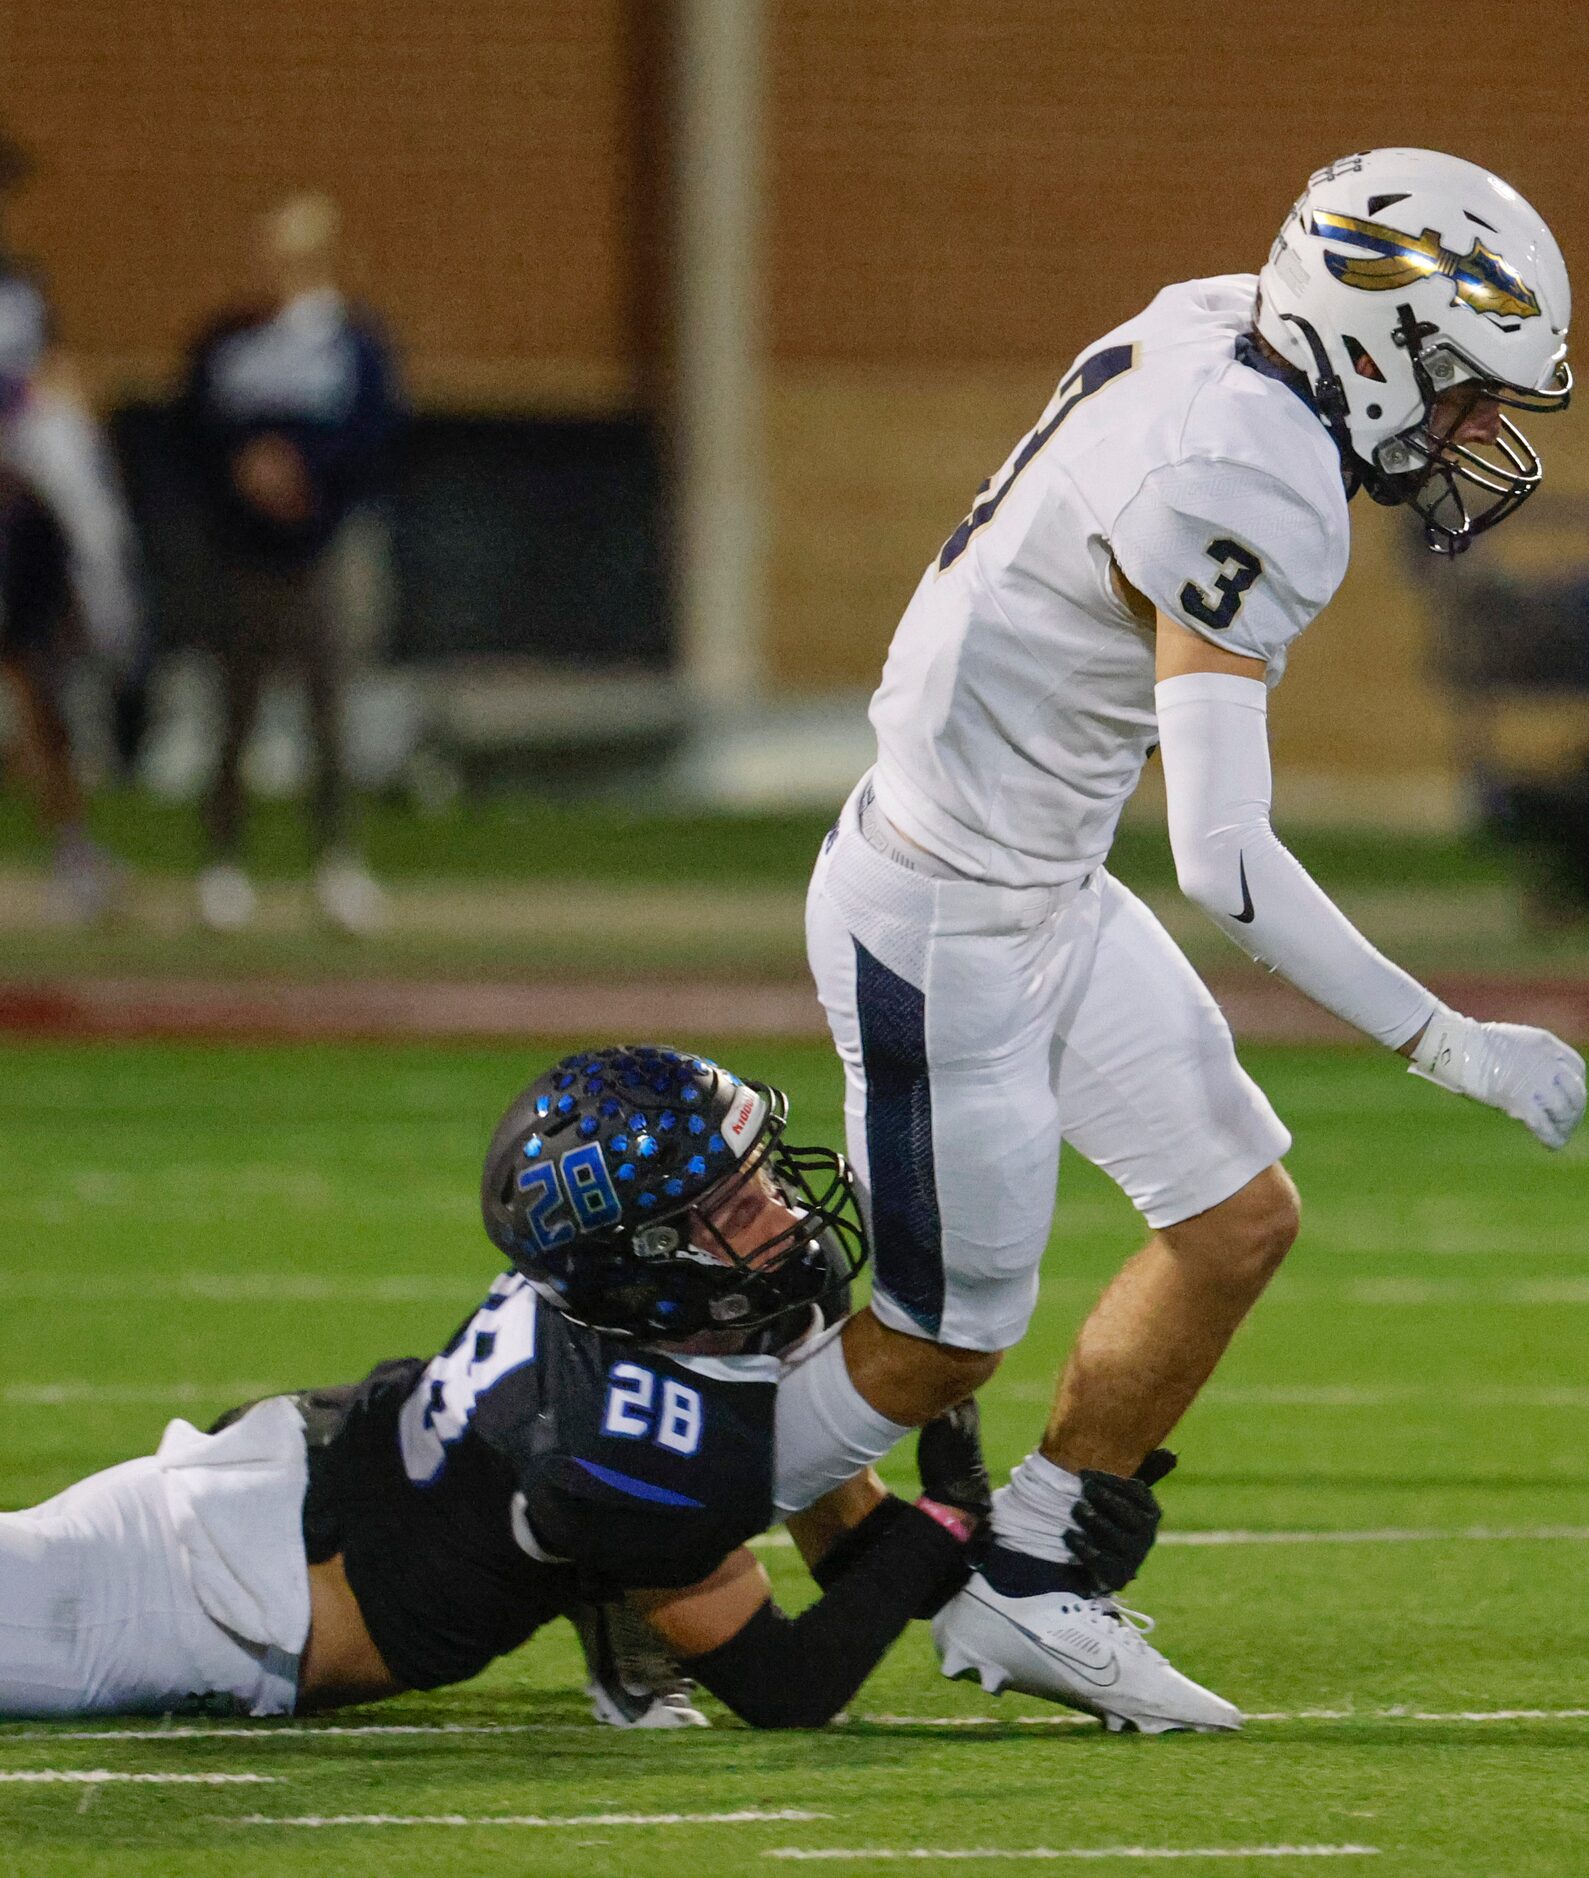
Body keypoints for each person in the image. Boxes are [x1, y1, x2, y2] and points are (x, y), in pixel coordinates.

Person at [777, 148, 1589, 1732]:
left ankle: (1034, 1581)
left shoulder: (1226, 323)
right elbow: (1223, 858)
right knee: (939, 1350)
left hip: (1043, 874)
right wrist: (1452, 1041)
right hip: (949, 906)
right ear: (1379, 340)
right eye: (1469, 392)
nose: (1477, 436)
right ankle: (610, 1533)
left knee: (1233, 1216)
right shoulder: (1250, 471)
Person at [0, 1044, 1162, 1728]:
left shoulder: (619, 1321)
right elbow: (788, 1684)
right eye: (733, 1203)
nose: (781, 1208)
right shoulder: (629, 1436)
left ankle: (621, 1622)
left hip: (272, 1505)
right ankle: (626, 1625)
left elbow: (838, 1537)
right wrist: (956, 1512)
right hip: (206, 1601)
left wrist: (1004, 1538)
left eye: (758, 1173)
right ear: (643, 1258)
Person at [178, 193, 400, 936]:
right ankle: (223, 864)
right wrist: (247, 475)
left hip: (328, 541)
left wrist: (305, 472)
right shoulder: (227, 342)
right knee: (232, 710)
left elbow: (376, 430)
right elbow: (196, 430)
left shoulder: (350, 340)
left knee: (332, 709)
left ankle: (337, 863)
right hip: (244, 548)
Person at [0, 127, 144, 925]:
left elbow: (54, 370)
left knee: (39, 684)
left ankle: (73, 855)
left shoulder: (21, 283)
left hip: (21, 510)